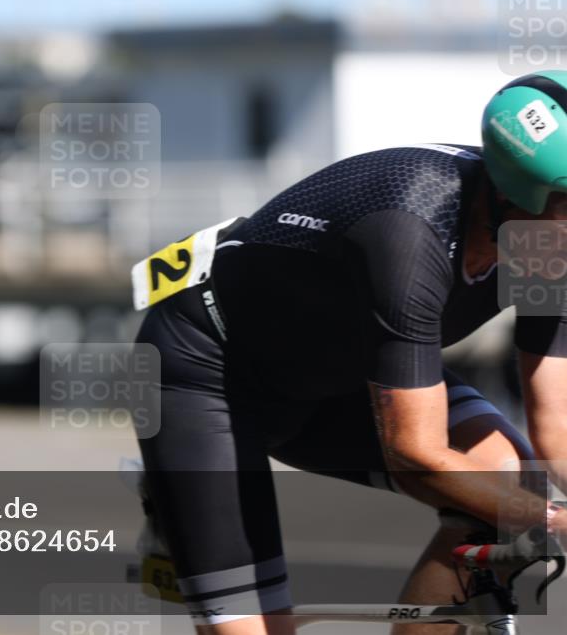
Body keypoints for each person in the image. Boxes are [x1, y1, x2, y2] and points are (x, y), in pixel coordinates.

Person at [133, 71, 567, 635]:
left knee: (511, 487)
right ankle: (178, 510)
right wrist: (551, 521)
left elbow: (555, 424)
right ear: (515, 195)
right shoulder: (410, 229)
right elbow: (415, 453)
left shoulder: (544, 244)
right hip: (207, 374)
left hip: (344, 377)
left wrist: (537, 515)